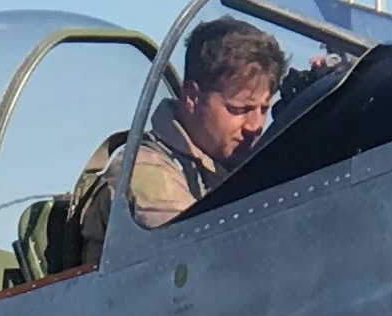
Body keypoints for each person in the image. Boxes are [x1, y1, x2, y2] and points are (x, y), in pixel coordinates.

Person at [82, 16, 286, 242]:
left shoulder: (231, 168)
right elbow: (206, 253)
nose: (255, 126)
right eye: (239, 109)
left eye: (264, 109)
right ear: (192, 97)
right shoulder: (144, 171)